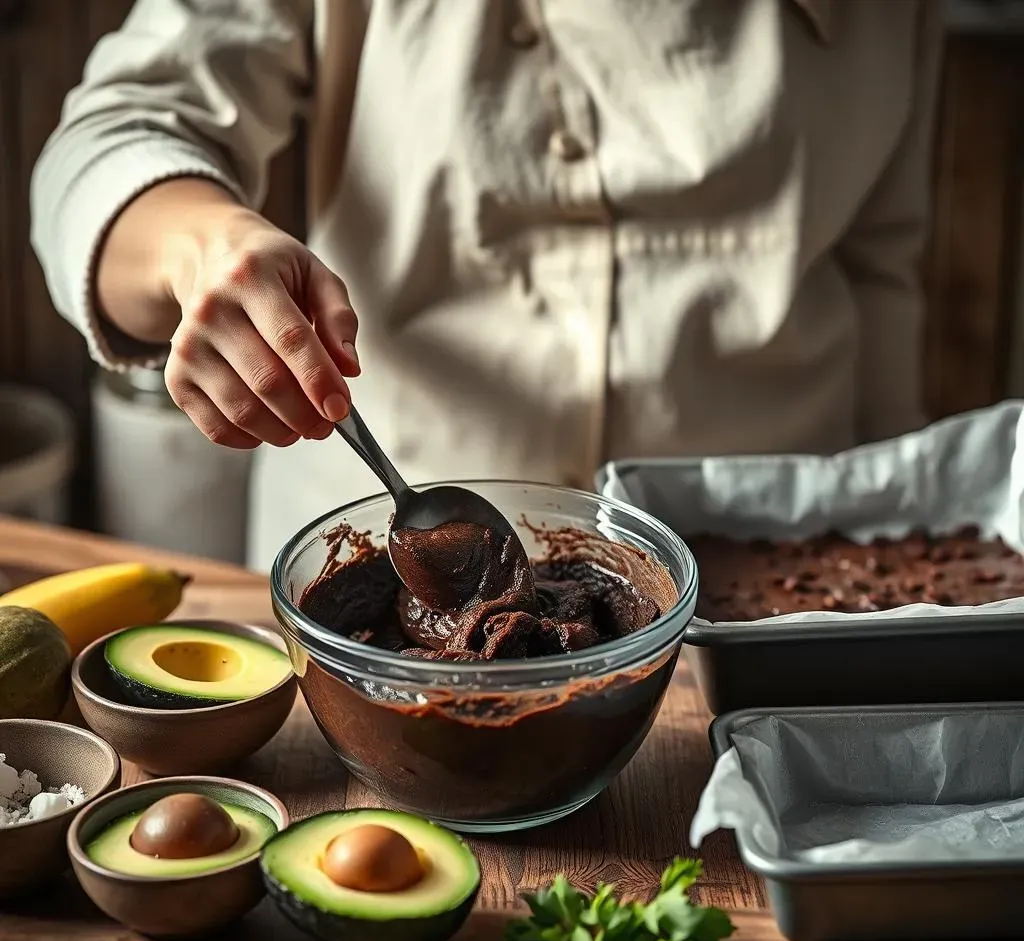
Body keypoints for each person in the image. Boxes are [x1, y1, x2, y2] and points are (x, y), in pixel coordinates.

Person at [31, 0, 943, 572]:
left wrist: (890, 581)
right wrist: (203, 244)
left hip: (757, 586)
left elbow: (882, 274)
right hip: (370, 607)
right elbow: (113, 134)